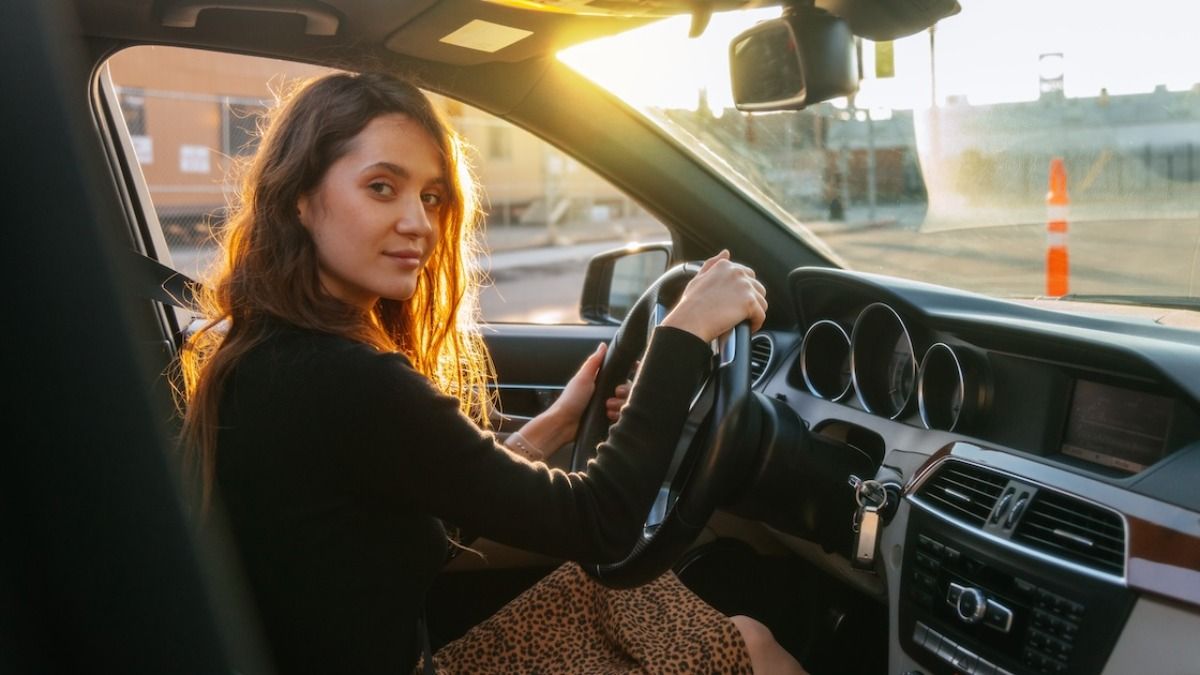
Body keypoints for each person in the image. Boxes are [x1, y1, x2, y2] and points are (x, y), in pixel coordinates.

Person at [178, 71, 804, 674]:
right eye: (381, 187)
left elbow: (426, 506)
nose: (419, 224)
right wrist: (684, 334)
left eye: (430, 197)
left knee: (631, 598)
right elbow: (601, 523)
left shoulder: (273, 353)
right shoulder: (347, 380)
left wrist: (558, 422)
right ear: (300, 200)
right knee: (747, 643)